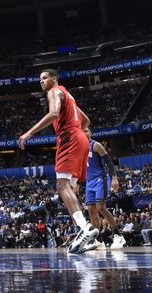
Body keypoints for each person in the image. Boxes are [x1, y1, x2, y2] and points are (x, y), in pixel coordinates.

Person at [18, 69, 97, 254]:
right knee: (70, 188)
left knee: (61, 186)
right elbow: (86, 120)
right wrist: (77, 132)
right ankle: (84, 235)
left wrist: (30, 132)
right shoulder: (68, 95)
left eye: (45, 77)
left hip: (70, 138)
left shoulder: (54, 92)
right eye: (40, 79)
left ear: (54, 79)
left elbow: (53, 114)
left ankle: (85, 228)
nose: (42, 81)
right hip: (80, 138)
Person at [83, 128, 124, 249]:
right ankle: (99, 241)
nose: (84, 133)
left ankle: (118, 235)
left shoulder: (96, 145)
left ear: (90, 133)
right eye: (82, 131)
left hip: (100, 178)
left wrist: (114, 178)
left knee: (100, 207)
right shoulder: (80, 148)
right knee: (91, 211)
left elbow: (109, 162)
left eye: (86, 131)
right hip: (89, 181)